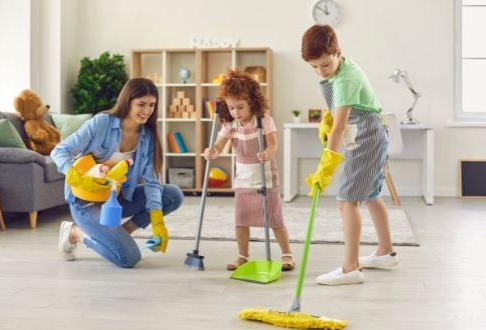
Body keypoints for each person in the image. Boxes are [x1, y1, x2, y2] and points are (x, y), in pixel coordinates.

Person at [301, 25, 398, 285]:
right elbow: (338, 113)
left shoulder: (345, 79)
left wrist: (326, 165)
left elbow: (341, 126)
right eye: (314, 67)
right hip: (371, 133)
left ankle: (350, 268)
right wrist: (327, 118)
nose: (321, 71)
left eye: (324, 64)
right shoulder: (341, 68)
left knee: (347, 200)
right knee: (370, 195)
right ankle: (386, 252)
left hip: (367, 135)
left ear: (337, 52)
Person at [51, 78, 183, 268]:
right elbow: (60, 151)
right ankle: (76, 234)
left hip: (116, 200)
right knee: (128, 258)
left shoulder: (147, 136)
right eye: (141, 104)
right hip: (86, 203)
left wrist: (157, 222)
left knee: (172, 194)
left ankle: (122, 232)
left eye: (152, 105)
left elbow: (152, 181)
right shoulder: (102, 123)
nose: (147, 111)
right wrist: (74, 175)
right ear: (127, 101)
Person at [204, 70, 294, 271]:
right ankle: (243, 255)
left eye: (240, 107)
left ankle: (287, 254)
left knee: (274, 219)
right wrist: (213, 151)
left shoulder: (264, 121)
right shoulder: (230, 125)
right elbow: (219, 145)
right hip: (244, 178)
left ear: (252, 102)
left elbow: (273, 145)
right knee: (241, 219)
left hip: (265, 177)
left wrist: (268, 153)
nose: (236, 112)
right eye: (231, 108)